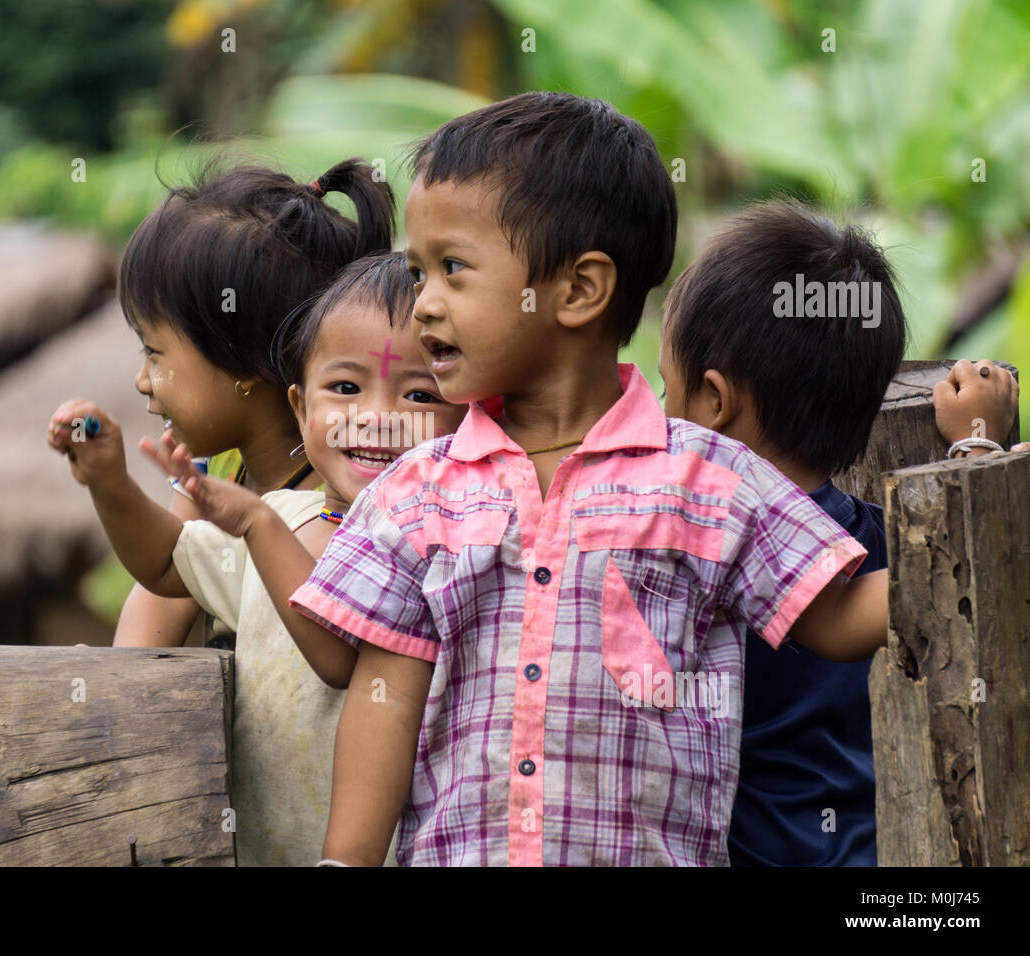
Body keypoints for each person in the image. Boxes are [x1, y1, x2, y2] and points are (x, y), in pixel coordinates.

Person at [288, 91, 891, 866]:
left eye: (453, 269)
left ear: (578, 290)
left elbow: (839, 618)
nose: (423, 305)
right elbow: (385, 697)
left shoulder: (709, 480)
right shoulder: (414, 493)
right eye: (417, 272)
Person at [657, 200, 1021, 866]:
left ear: (712, 401)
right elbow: (954, 563)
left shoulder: (693, 553)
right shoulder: (881, 542)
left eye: (665, 391)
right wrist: (975, 445)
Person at [95, 157, 396, 650]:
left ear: (241, 362)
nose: (142, 381)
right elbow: (167, 592)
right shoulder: (213, 471)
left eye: (154, 353)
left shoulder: (348, 486)